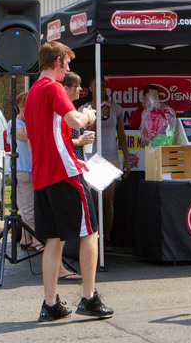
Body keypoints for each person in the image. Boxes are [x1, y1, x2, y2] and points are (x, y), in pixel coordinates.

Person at [24, 41, 113, 322]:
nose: (69, 69)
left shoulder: (31, 93)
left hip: (43, 175)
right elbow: (76, 120)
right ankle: (89, 297)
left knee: (54, 239)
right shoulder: (52, 88)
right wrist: (90, 114)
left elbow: (45, 136)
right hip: (64, 173)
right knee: (90, 232)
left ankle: (50, 304)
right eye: (68, 63)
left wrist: (75, 154)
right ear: (58, 61)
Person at [10, 91, 82, 281]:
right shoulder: (14, 124)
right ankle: (33, 240)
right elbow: (26, 136)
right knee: (28, 208)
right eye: (27, 107)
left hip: (35, 169)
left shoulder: (27, 123)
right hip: (24, 170)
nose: (30, 111)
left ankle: (27, 238)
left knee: (32, 206)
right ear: (20, 107)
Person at [85, 75, 130, 251]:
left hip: (111, 158)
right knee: (93, 200)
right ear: (90, 88)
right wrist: (96, 118)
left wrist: (126, 157)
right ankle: (91, 237)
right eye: (97, 85)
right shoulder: (85, 109)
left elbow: (121, 133)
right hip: (92, 159)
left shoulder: (115, 108)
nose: (101, 88)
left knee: (108, 200)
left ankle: (107, 238)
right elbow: (84, 135)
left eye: (103, 86)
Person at [61, 72, 94, 160]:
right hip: (67, 163)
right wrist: (79, 141)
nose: (80, 89)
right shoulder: (62, 111)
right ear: (66, 88)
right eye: (77, 86)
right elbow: (58, 141)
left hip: (75, 161)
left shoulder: (70, 108)